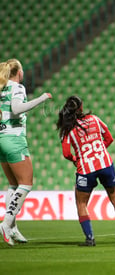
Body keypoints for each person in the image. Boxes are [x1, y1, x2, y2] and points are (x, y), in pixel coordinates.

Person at [56, 95, 115, 246]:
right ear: (81, 107)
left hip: (86, 169)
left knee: (81, 204)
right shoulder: (94, 119)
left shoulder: (68, 129)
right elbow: (109, 138)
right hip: (105, 164)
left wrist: (75, 159)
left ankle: (90, 238)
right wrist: (98, 153)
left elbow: (66, 153)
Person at [0, 59, 52, 246]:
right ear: (19, 72)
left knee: (13, 184)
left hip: (1, 138)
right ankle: (5, 224)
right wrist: (42, 98)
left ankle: (13, 228)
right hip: (14, 139)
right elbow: (16, 109)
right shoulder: (17, 87)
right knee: (26, 184)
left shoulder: (2, 88)